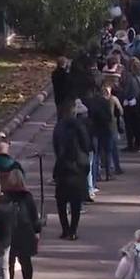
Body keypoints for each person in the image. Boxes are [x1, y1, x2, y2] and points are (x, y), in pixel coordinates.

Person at [52, 100, 91, 241]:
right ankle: (73, 230)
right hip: (78, 168)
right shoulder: (79, 125)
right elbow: (86, 143)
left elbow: (55, 144)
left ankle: (65, 229)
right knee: (75, 203)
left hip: (63, 167)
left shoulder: (59, 126)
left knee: (61, 202)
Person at [0, 169, 42, 279]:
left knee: (9, 262)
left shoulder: (4, 197)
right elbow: (34, 215)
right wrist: (37, 230)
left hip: (9, 231)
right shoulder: (27, 196)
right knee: (26, 261)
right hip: (25, 231)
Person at [121, 60, 140, 152]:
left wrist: (124, 98)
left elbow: (126, 91)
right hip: (139, 104)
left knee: (129, 126)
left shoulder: (130, 78)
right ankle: (137, 144)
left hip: (129, 104)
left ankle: (130, 145)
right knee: (137, 125)